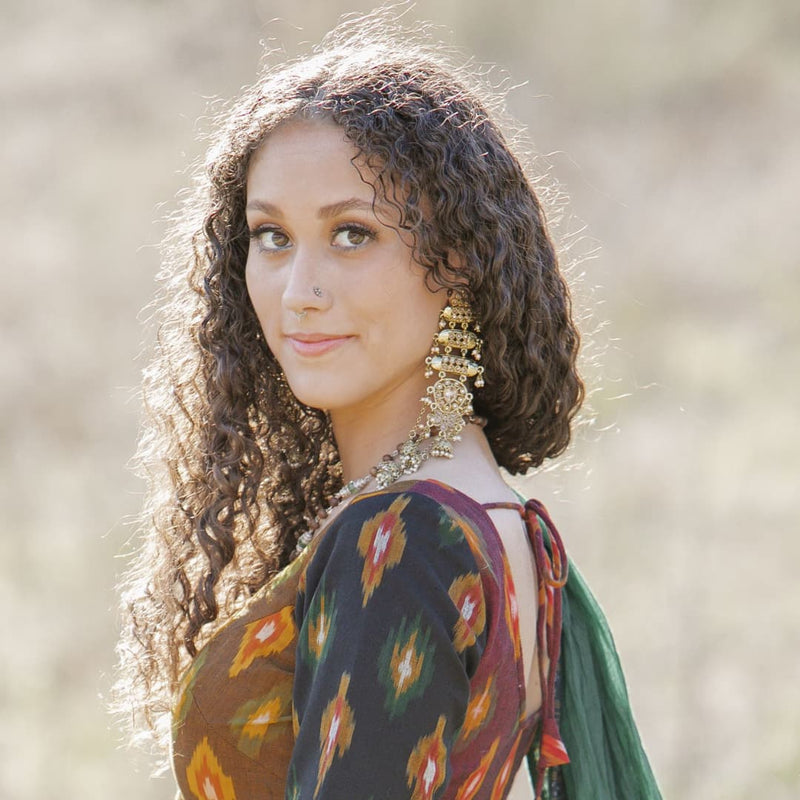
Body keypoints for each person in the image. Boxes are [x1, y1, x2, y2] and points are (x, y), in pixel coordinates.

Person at [116, 12, 662, 800]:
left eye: (351, 234)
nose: (299, 291)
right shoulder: (492, 512)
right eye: (271, 236)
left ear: (458, 261)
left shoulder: (403, 538)